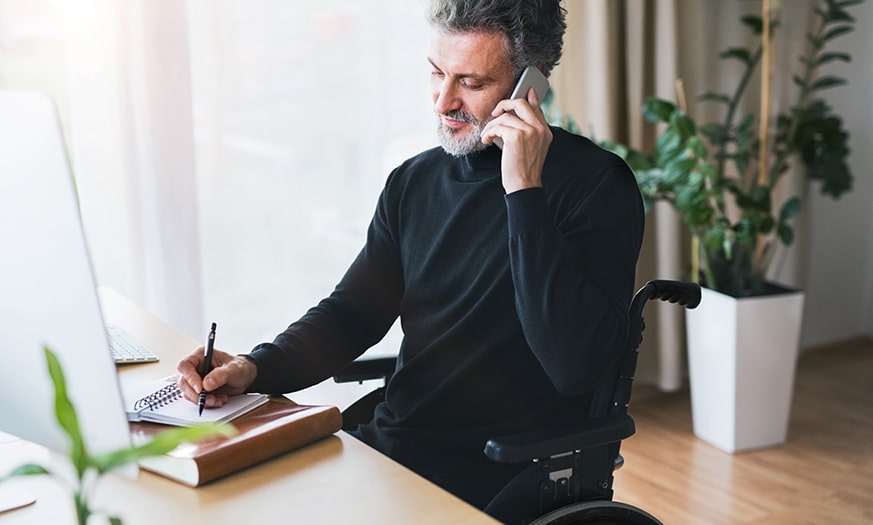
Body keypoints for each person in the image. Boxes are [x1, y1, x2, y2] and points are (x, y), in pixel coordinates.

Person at [177, 0, 644, 514]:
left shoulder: (596, 186)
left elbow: (573, 367)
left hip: (498, 472)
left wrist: (523, 192)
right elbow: (352, 313)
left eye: (471, 82)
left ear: (527, 86)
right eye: (436, 73)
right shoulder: (413, 182)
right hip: (393, 447)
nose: (444, 101)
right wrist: (253, 368)